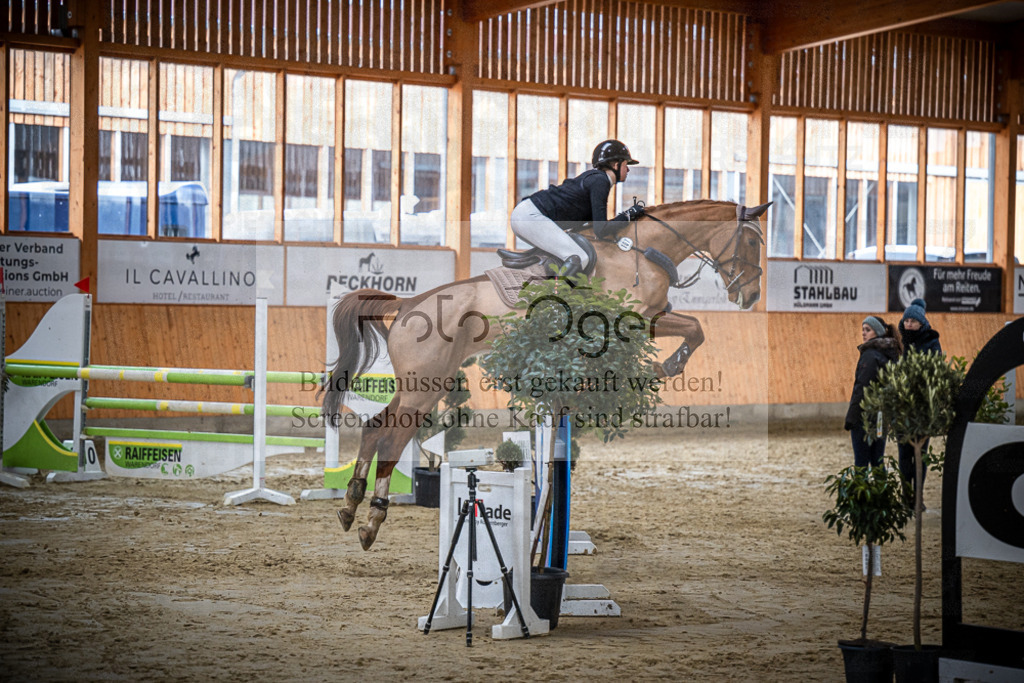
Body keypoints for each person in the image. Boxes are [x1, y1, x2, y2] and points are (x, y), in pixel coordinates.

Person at [510, 140, 645, 277]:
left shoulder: (596, 178)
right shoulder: (600, 181)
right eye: (626, 165)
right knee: (579, 257)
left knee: (570, 253)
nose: (628, 170)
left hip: (527, 215)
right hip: (530, 217)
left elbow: (593, 226)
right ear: (616, 164)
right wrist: (628, 215)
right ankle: (555, 291)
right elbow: (601, 229)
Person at [897, 298, 942, 498]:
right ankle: (906, 496)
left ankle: (918, 496)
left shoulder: (931, 342)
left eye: (913, 321)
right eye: (906, 321)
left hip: (922, 408)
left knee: (920, 454)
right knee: (904, 455)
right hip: (902, 408)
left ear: (921, 323)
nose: (908, 324)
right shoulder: (900, 343)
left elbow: (935, 373)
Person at [845, 315, 902, 468]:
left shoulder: (870, 355)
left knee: (861, 463)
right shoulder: (889, 353)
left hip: (865, 417)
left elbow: (862, 388)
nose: (863, 333)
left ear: (877, 331)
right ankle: (881, 485)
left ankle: (862, 486)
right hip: (881, 417)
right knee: (878, 461)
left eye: (868, 330)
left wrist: (852, 417)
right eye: (863, 329)